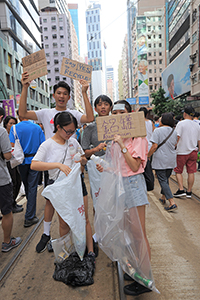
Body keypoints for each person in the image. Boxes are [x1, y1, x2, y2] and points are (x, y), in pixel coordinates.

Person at [19, 71, 94, 253]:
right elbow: (22, 113)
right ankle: (48, 235)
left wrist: (84, 92)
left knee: (78, 212)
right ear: (54, 95)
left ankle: (84, 246)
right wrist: (25, 87)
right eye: (58, 93)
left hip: (73, 168)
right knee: (51, 202)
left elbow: (90, 118)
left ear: (69, 97)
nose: (61, 96)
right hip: (52, 165)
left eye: (65, 94)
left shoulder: (74, 115)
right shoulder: (46, 113)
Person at [97, 100, 152, 296]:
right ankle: (136, 270)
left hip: (134, 185)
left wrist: (122, 145)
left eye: (122, 112)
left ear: (130, 115)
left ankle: (145, 277)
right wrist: (106, 167)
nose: (118, 115)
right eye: (115, 112)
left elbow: (135, 166)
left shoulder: (138, 137)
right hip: (120, 186)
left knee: (139, 235)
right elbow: (118, 167)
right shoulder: (114, 138)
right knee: (127, 231)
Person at [31, 112, 95, 257]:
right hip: (61, 188)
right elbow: (34, 165)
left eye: (73, 131)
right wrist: (58, 165)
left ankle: (90, 251)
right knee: (64, 222)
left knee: (84, 218)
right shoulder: (47, 145)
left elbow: (84, 159)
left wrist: (82, 160)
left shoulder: (73, 142)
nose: (70, 134)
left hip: (77, 184)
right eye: (68, 131)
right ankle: (68, 252)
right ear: (58, 127)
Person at [9, 112, 45, 227]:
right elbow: (43, 145)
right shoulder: (37, 128)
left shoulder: (14, 128)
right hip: (35, 160)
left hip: (21, 162)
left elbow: (12, 145)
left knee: (27, 186)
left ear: (19, 116)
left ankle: (30, 212)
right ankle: (29, 217)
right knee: (32, 187)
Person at [82, 95, 113, 209]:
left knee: (114, 199)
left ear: (110, 107)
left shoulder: (117, 125)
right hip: (97, 167)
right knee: (99, 199)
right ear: (95, 109)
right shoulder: (89, 128)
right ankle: (99, 225)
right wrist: (96, 149)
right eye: (99, 105)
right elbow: (85, 152)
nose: (103, 107)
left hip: (114, 165)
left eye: (106, 104)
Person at [0, 107, 22, 252]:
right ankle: (7, 242)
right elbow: (8, 156)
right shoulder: (1, 132)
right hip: (1, 179)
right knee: (6, 212)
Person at [148, 113, 178, 211]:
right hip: (171, 159)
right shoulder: (174, 131)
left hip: (161, 159)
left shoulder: (158, 131)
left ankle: (172, 202)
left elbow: (154, 146)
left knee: (162, 180)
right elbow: (175, 144)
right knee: (166, 178)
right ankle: (163, 197)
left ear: (163, 121)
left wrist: (148, 156)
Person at [173, 106, 200, 198]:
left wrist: (174, 146)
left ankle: (181, 189)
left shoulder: (181, 124)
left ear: (185, 114)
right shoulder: (197, 125)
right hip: (193, 152)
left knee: (178, 171)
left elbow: (177, 137)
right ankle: (189, 192)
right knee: (191, 172)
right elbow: (199, 140)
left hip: (181, 152)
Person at [3, 116, 23, 213]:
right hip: (7, 163)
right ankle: (11, 205)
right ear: (6, 123)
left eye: (14, 123)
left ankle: (13, 202)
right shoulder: (4, 134)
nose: (12, 125)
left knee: (18, 182)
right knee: (13, 183)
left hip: (15, 161)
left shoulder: (15, 133)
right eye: (10, 123)